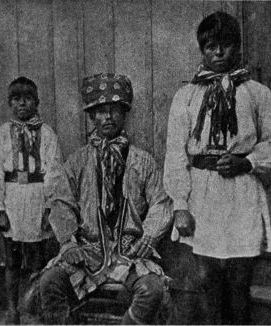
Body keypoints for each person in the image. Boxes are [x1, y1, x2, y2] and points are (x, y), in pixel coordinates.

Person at [163, 11, 271, 325]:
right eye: (210, 47)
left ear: (237, 47)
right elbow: (175, 154)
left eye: (225, 45)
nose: (218, 53)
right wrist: (180, 205)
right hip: (202, 193)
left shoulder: (256, 93)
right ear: (202, 51)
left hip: (240, 191)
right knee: (207, 277)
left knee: (239, 279)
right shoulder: (187, 96)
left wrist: (247, 161)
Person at [38, 72, 172, 324]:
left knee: (152, 290)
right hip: (88, 251)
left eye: (114, 110)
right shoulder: (77, 161)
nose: (108, 117)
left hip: (130, 252)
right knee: (50, 282)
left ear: (124, 114)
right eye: (101, 111)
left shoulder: (142, 161)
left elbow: (161, 202)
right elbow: (61, 203)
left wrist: (149, 236)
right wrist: (68, 243)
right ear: (91, 116)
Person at [0, 76, 62, 324]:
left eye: (28, 99)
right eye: (17, 99)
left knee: (38, 257)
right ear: (10, 103)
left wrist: (49, 206)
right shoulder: (2, 134)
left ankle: (36, 307)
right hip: (12, 199)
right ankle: (12, 310)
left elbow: (54, 170)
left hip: (37, 197)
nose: (22, 104)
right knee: (12, 259)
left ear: (37, 102)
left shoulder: (47, 133)